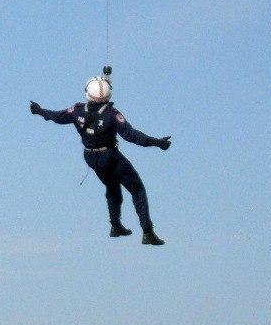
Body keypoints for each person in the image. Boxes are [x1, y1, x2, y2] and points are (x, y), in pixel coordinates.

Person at [31, 76, 171, 244]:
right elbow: (131, 135)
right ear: (108, 95)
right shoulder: (112, 114)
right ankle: (147, 232)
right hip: (109, 156)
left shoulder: (77, 111)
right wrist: (156, 142)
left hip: (90, 157)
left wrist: (39, 111)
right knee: (137, 188)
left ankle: (115, 225)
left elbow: (57, 116)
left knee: (112, 186)